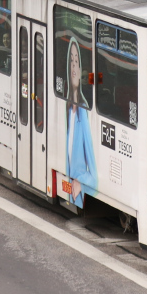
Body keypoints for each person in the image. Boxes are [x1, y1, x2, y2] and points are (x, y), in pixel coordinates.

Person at [65, 39, 97, 207]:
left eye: (76, 61)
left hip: (76, 193)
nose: (74, 66)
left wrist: (79, 180)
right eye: (71, 61)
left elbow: (94, 175)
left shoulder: (83, 111)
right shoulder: (68, 109)